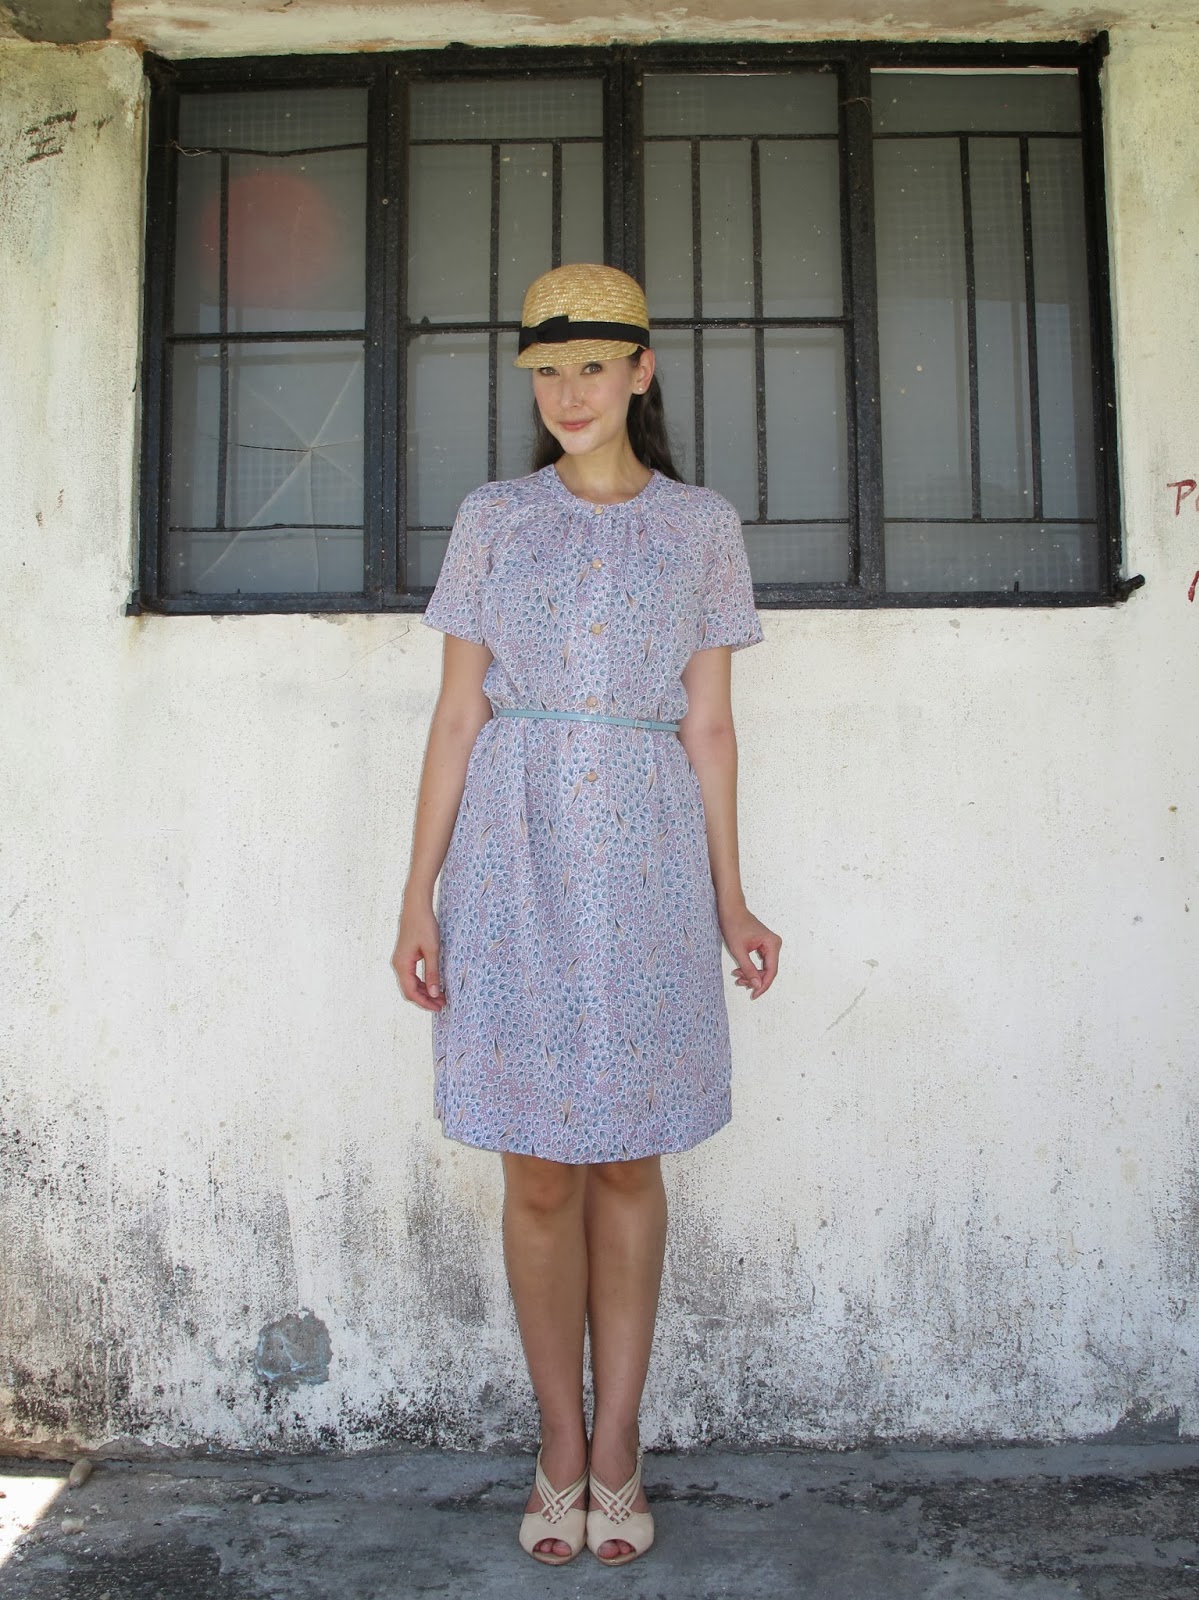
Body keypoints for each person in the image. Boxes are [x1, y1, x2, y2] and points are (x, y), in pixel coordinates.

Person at [392, 263, 781, 1567]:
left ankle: (619, 1447)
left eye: (594, 368)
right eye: (548, 371)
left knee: (628, 1159)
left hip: (650, 865)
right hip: (510, 862)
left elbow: (711, 727)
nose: (569, 393)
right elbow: (458, 714)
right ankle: (557, 1445)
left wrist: (732, 899)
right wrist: (417, 895)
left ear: (640, 373)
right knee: (538, 1167)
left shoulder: (701, 528)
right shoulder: (495, 519)